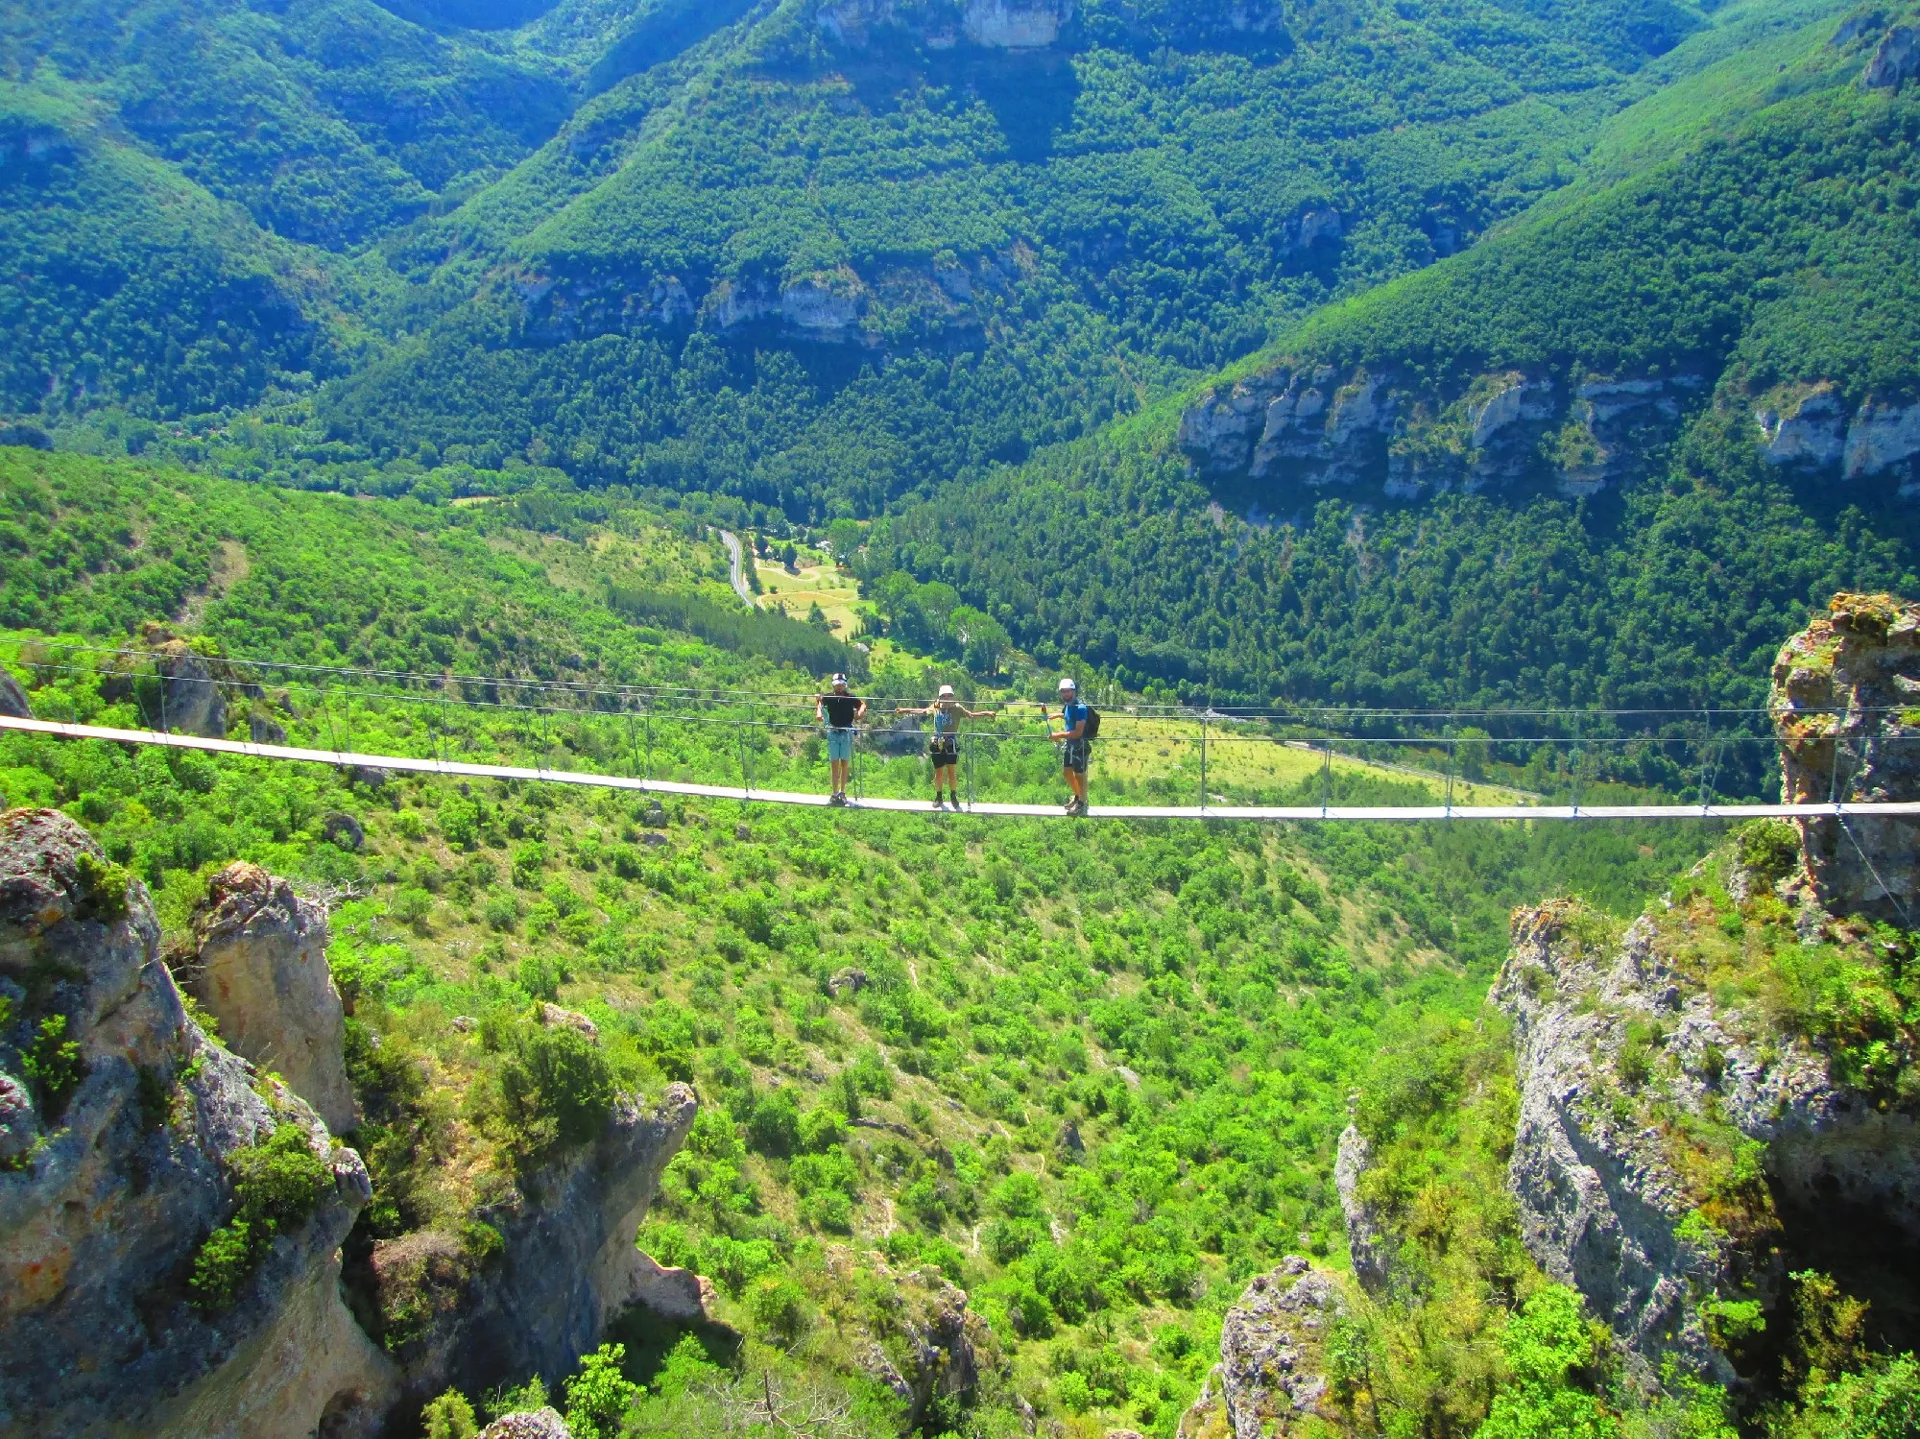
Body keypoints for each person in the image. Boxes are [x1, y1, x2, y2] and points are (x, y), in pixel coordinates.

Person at [897, 683, 996, 809]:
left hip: (951, 742)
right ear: (941, 696)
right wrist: (905, 710)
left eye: (950, 696)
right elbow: (922, 711)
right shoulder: (936, 707)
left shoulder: (957, 708)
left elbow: (971, 715)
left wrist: (986, 713)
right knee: (938, 772)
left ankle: (953, 796)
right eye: (945, 696)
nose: (948, 698)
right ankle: (939, 797)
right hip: (937, 742)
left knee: (951, 772)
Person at [816, 673, 866, 805]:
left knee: (844, 763)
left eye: (842, 685)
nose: (839, 687)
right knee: (834, 764)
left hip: (846, 732)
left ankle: (842, 792)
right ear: (833, 685)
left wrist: (860, 712)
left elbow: (862, 704)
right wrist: (819, 711)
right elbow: (820, 702)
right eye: (837, 685)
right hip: (833, 731)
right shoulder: (829, 697)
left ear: (845, 685)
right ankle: (834, 793)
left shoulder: (850, 697)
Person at [1047, 677, 1092, 816]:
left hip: (1080, 746)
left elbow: (1078, 732)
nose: (1066, 694)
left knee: (1080, 775)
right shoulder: (1068, 706)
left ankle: (1082, 804)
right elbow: (1069, 717)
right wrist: (1059, 715)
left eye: (1068, 691)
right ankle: (1078, 796)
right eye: (1063, 692)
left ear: (1074, 691)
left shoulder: (1080, 708)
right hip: (1070, 744)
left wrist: (1058, 735)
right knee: (1067, 772)